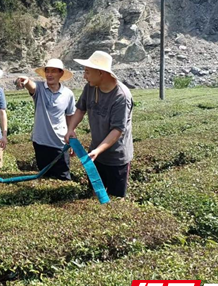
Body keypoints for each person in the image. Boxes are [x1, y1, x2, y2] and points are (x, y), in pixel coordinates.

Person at [65, 51, 133, 197]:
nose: (84, 76)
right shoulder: (90, 87)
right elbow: (80, 109)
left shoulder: (121, 96)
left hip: (116, 159)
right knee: (95, 195)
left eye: (88, 72)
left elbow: (117, 130)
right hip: (96, 155)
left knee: (115, 199)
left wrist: (98, 150)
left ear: (101, 73)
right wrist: (71, 129)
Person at [15, 58, 76, 180]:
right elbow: (30, 85)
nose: (49, 74)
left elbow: (70, 117)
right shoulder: (39, 88)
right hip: (41, 143)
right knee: (44, 177)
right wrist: (24, 80)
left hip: (60, 143)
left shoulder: (68, 94)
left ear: (61, 73)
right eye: (47, 71)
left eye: (53, 71)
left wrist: (73, 139)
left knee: (63, 178)